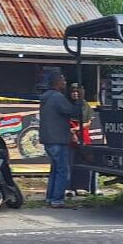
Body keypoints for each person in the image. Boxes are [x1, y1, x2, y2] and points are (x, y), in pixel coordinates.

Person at [39, 71, 82, 208]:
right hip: (58, 139)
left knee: (55, 170)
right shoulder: (57, 97)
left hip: (47, 138)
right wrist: (79, 100)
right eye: (63, 80)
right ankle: (57, 199)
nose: (65, 83)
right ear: (57, 83)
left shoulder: (45, 97)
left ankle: (50, 197)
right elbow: (73, 112)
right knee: (63, 171)